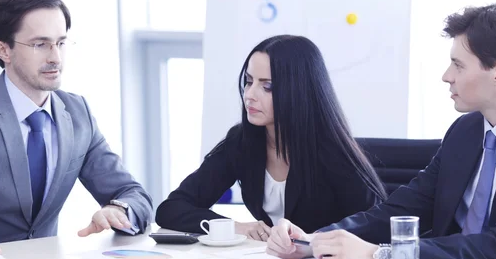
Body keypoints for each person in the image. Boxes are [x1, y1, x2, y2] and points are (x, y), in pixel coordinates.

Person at [266, 4, 496, 259]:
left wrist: (382, 256)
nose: (447, 76)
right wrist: (314, 240)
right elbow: (403, 208)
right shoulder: (464, 131)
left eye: (458, 65)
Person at [0, 0, 153, 259]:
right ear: (3, 49)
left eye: (61, 42)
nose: (55, 57)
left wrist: (119, 210)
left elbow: (134, 194)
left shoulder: (77, 114)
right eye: (40, 44)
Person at [156, 35, 387, 240]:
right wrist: (235, 227)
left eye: (267, 87)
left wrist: (311, 240)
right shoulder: (242, 141)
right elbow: (172, 209)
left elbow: (377, 224)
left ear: (297, 92)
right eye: (249, 81)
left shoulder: (332, 151)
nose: (250, 95)